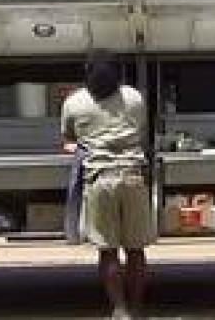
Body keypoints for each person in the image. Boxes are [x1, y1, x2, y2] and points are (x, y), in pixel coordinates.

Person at [61, 55, 152, 319]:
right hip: (133, 177)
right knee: (136, 251)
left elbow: (69, 139)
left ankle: (119, 309)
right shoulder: (134, 97)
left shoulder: (74, 102)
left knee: (108, 251)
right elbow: (140, 128)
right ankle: (136, 309)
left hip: (100, 180)